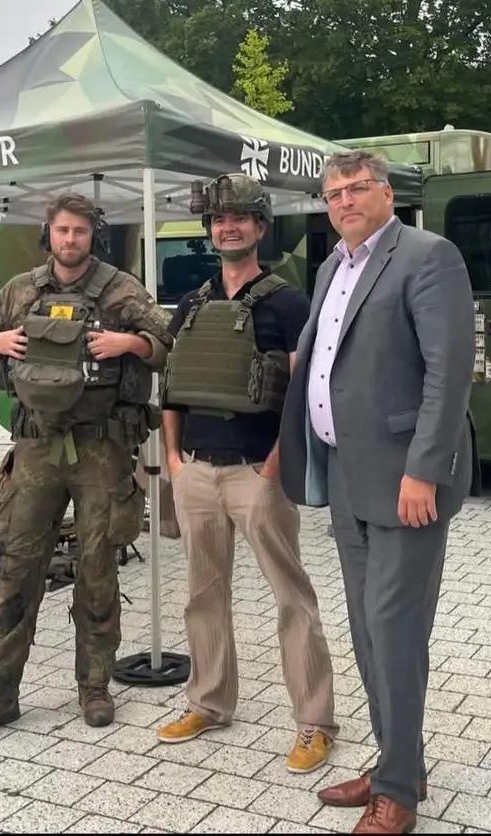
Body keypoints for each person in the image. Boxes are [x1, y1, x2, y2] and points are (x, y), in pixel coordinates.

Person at [277, 150, 479, 834]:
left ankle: (399, 793)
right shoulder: (335, 265)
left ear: (386, 193)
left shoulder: (428, 256)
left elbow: (448, 373)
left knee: (394, 631)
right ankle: (399, 762)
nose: (344, 200)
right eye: (333, 193)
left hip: (405, 484)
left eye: (358, 188)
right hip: (346, 477)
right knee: (367, 632)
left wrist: (425, 467)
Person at [0, 192, 171, 744]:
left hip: (102, 450)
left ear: (95, 235)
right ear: (49, 234)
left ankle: (95, 687)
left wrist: (132, 342)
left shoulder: (121, 290)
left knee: (97, 571)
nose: (71, 241)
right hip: (36, 451)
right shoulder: (21, 290)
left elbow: (168, 342)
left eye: (81, 231)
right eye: (62, 231)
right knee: (15, 570)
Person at [151, 173, 339, 774]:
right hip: (199, 473)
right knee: (202, 597)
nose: (228, 227)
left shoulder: (287, 303)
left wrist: (276, 467)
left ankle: (314, 723)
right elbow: (172, 388)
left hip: (257, 473)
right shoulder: (193, 302)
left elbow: (306, 392)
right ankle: (208, 702)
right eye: (219, 220)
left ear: (260, 228)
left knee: (292, 598)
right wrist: (175, 462)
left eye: (240, 218)